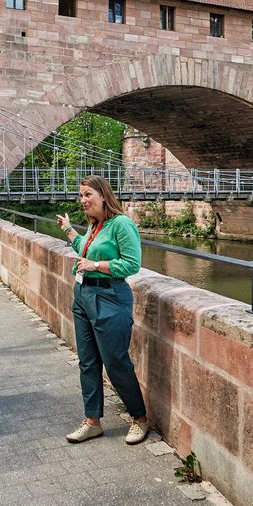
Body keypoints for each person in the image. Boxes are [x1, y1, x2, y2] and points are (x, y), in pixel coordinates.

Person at [56, 175, 150, 445]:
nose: (83, 200)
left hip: (110, 297)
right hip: (84, 296)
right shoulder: (95, 226)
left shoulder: (121, 224)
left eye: (88, 195)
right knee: (87, 363)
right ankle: (92, 421)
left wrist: (95, 266)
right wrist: (70, 231)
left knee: (116, 362)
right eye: (81, 195)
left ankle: (140, 419)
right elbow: (87, 251)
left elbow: (131, 264)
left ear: (103, 196)